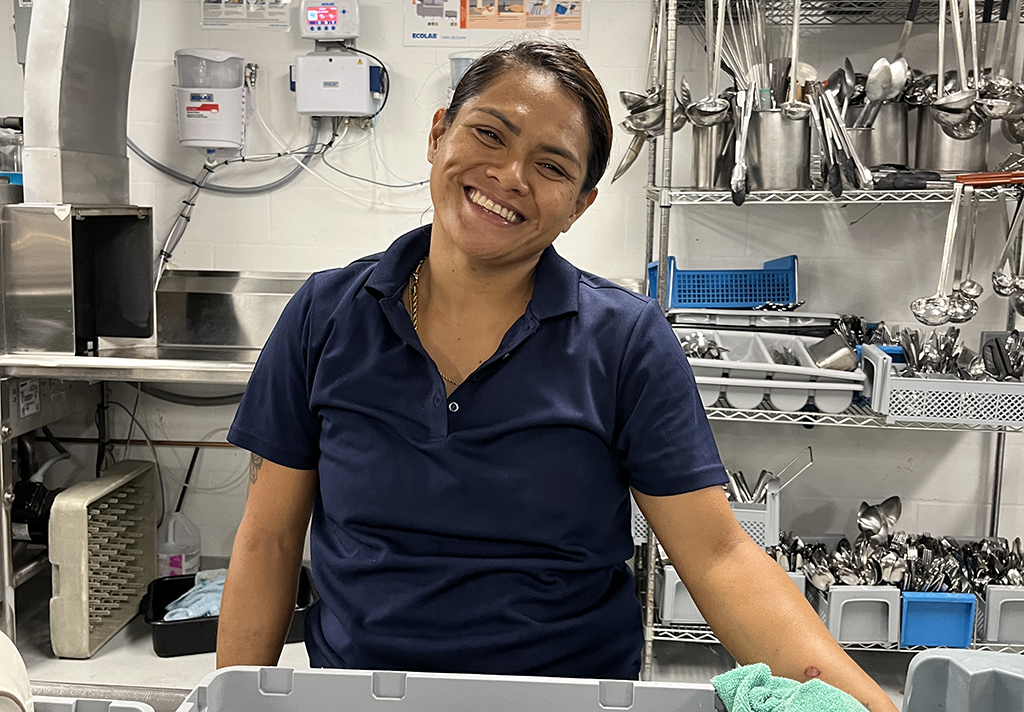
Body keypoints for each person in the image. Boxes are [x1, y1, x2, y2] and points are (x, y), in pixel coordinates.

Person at [217, 40, 897, 712]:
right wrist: (233, 700)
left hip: (564, 699)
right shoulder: (326, 315)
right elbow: (269, 538)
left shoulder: (624, 341)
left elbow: (719, 556)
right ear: (438, 133)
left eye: (550, 166)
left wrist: (867, 706)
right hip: (359, 698)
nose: (510, 175)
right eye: (490, 133)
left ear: (579, 204)